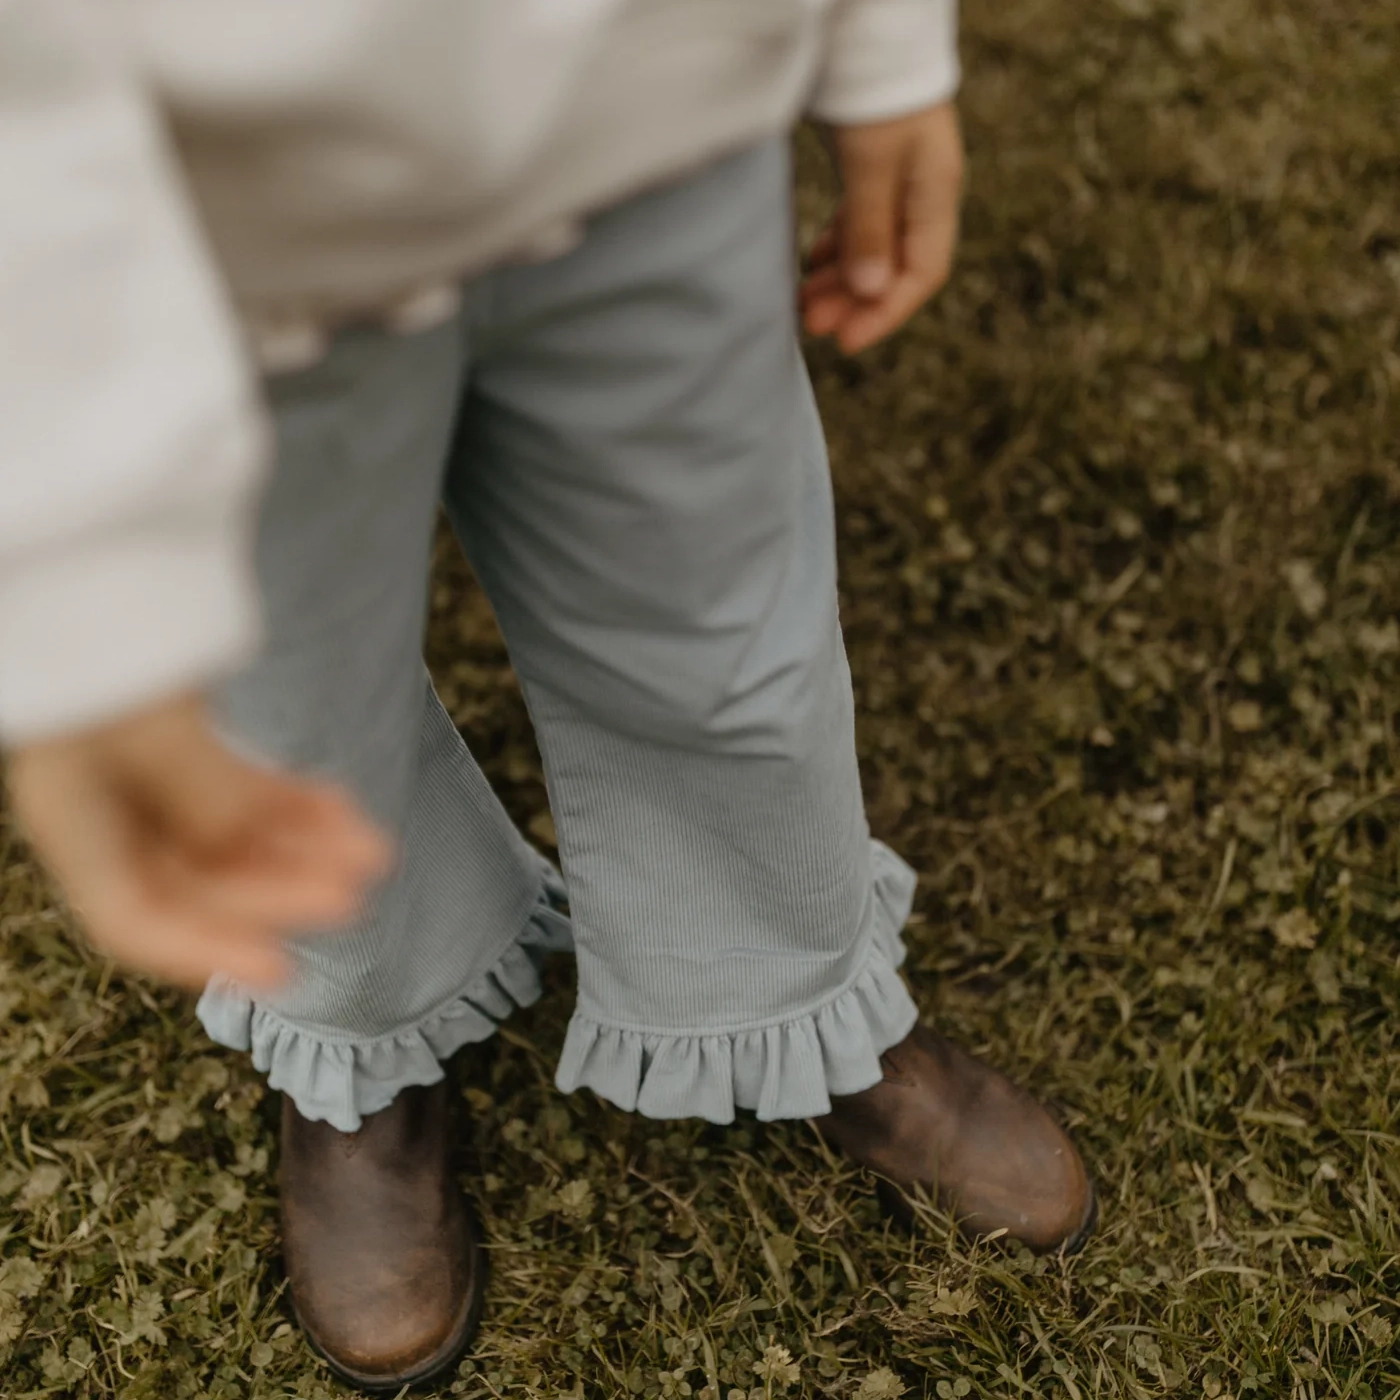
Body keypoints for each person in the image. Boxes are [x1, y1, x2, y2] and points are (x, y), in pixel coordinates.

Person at [1, 2, 1094, 1390]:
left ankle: (802, 992)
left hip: (654, 117)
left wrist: (883, 56)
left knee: (724, 622)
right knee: (290, 709)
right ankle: (365, 1048)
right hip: (217, 227)